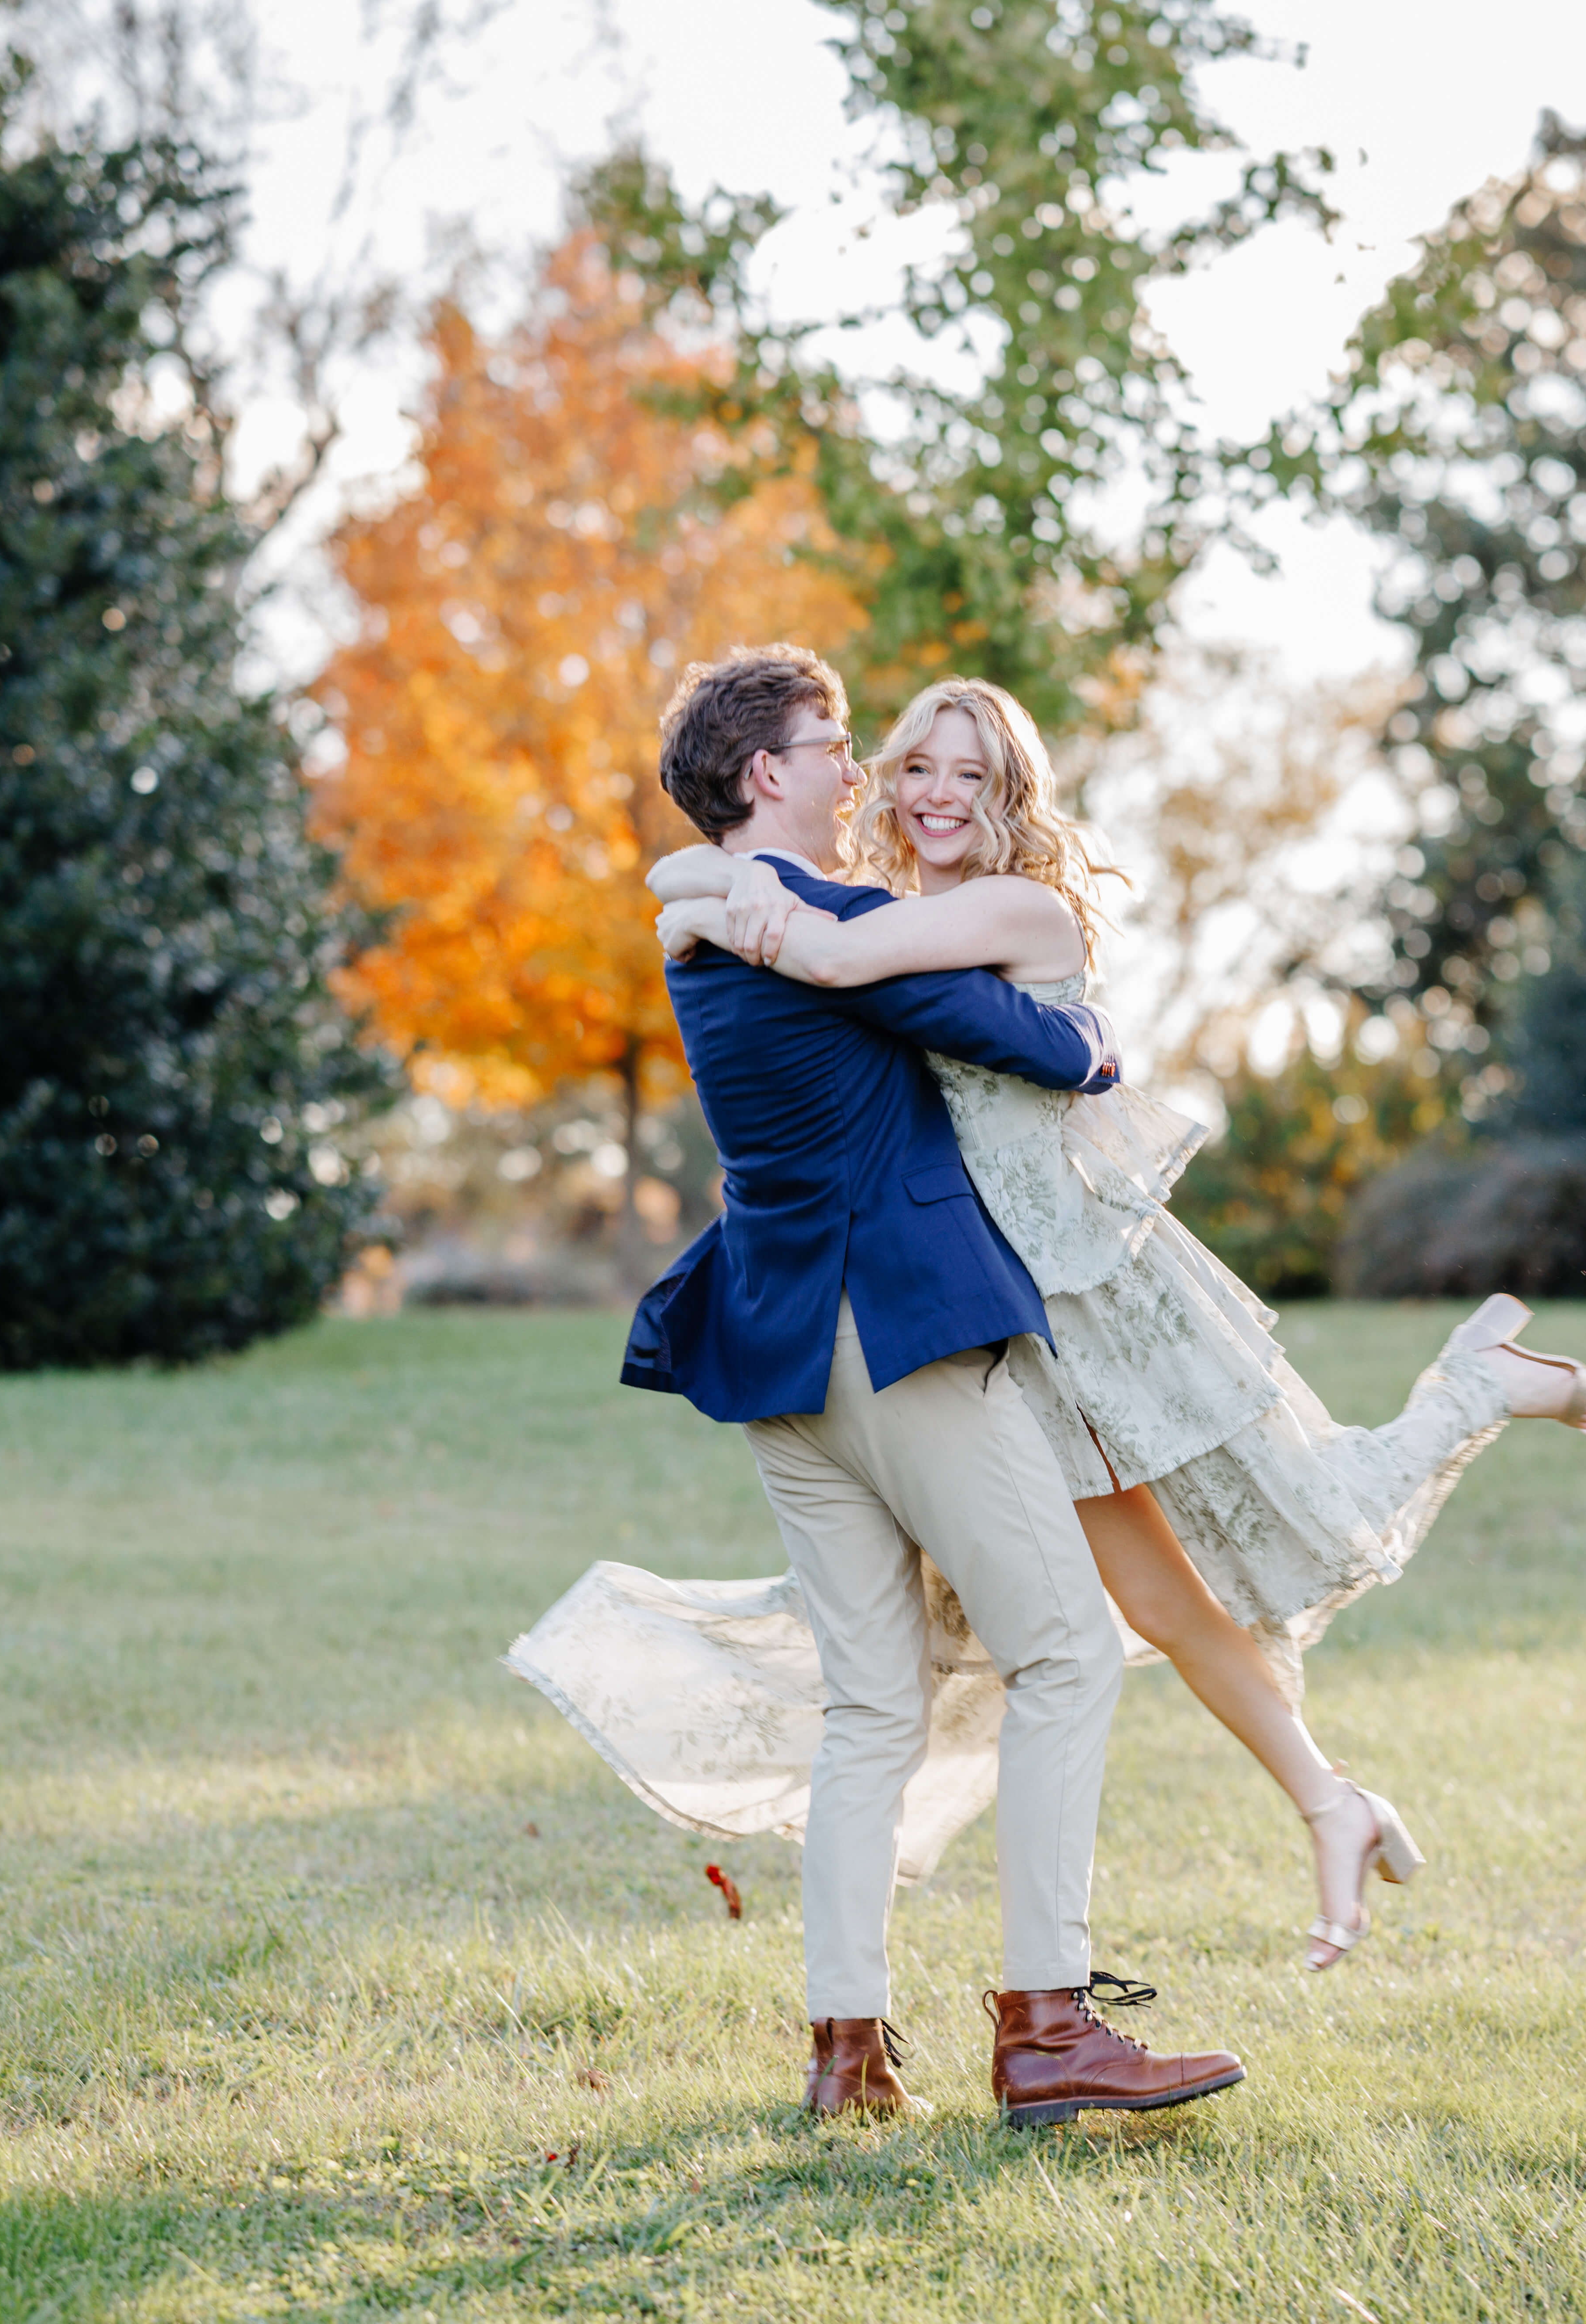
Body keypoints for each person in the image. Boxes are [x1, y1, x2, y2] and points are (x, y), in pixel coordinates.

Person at [510, 677, 1586, 1982]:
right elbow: (788, 923)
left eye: (970, 778)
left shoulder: (990, 913)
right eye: (912, 764)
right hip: (1001, 1318)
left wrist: (735, 897)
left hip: (1093, 1296)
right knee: (1166, 1606)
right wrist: (709, 883)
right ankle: (1331, 1804)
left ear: (1010, 797)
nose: (925, 793)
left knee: (1298, 1527)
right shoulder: (889, 912)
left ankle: (1475, 1383)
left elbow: (871, 971)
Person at [557, 643, 1248, 2130]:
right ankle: (1050, 2031)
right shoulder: (827, 921)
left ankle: (848, 2053)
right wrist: (1092, 1036)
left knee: (875, 1704)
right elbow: (1052, 1049)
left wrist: (711, 885)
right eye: (835, 746)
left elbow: (701, 896)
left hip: (783, 1356)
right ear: (768, 777)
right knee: (1063, 1650)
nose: (857, 770)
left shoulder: (708, 924)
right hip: (900, 1335)